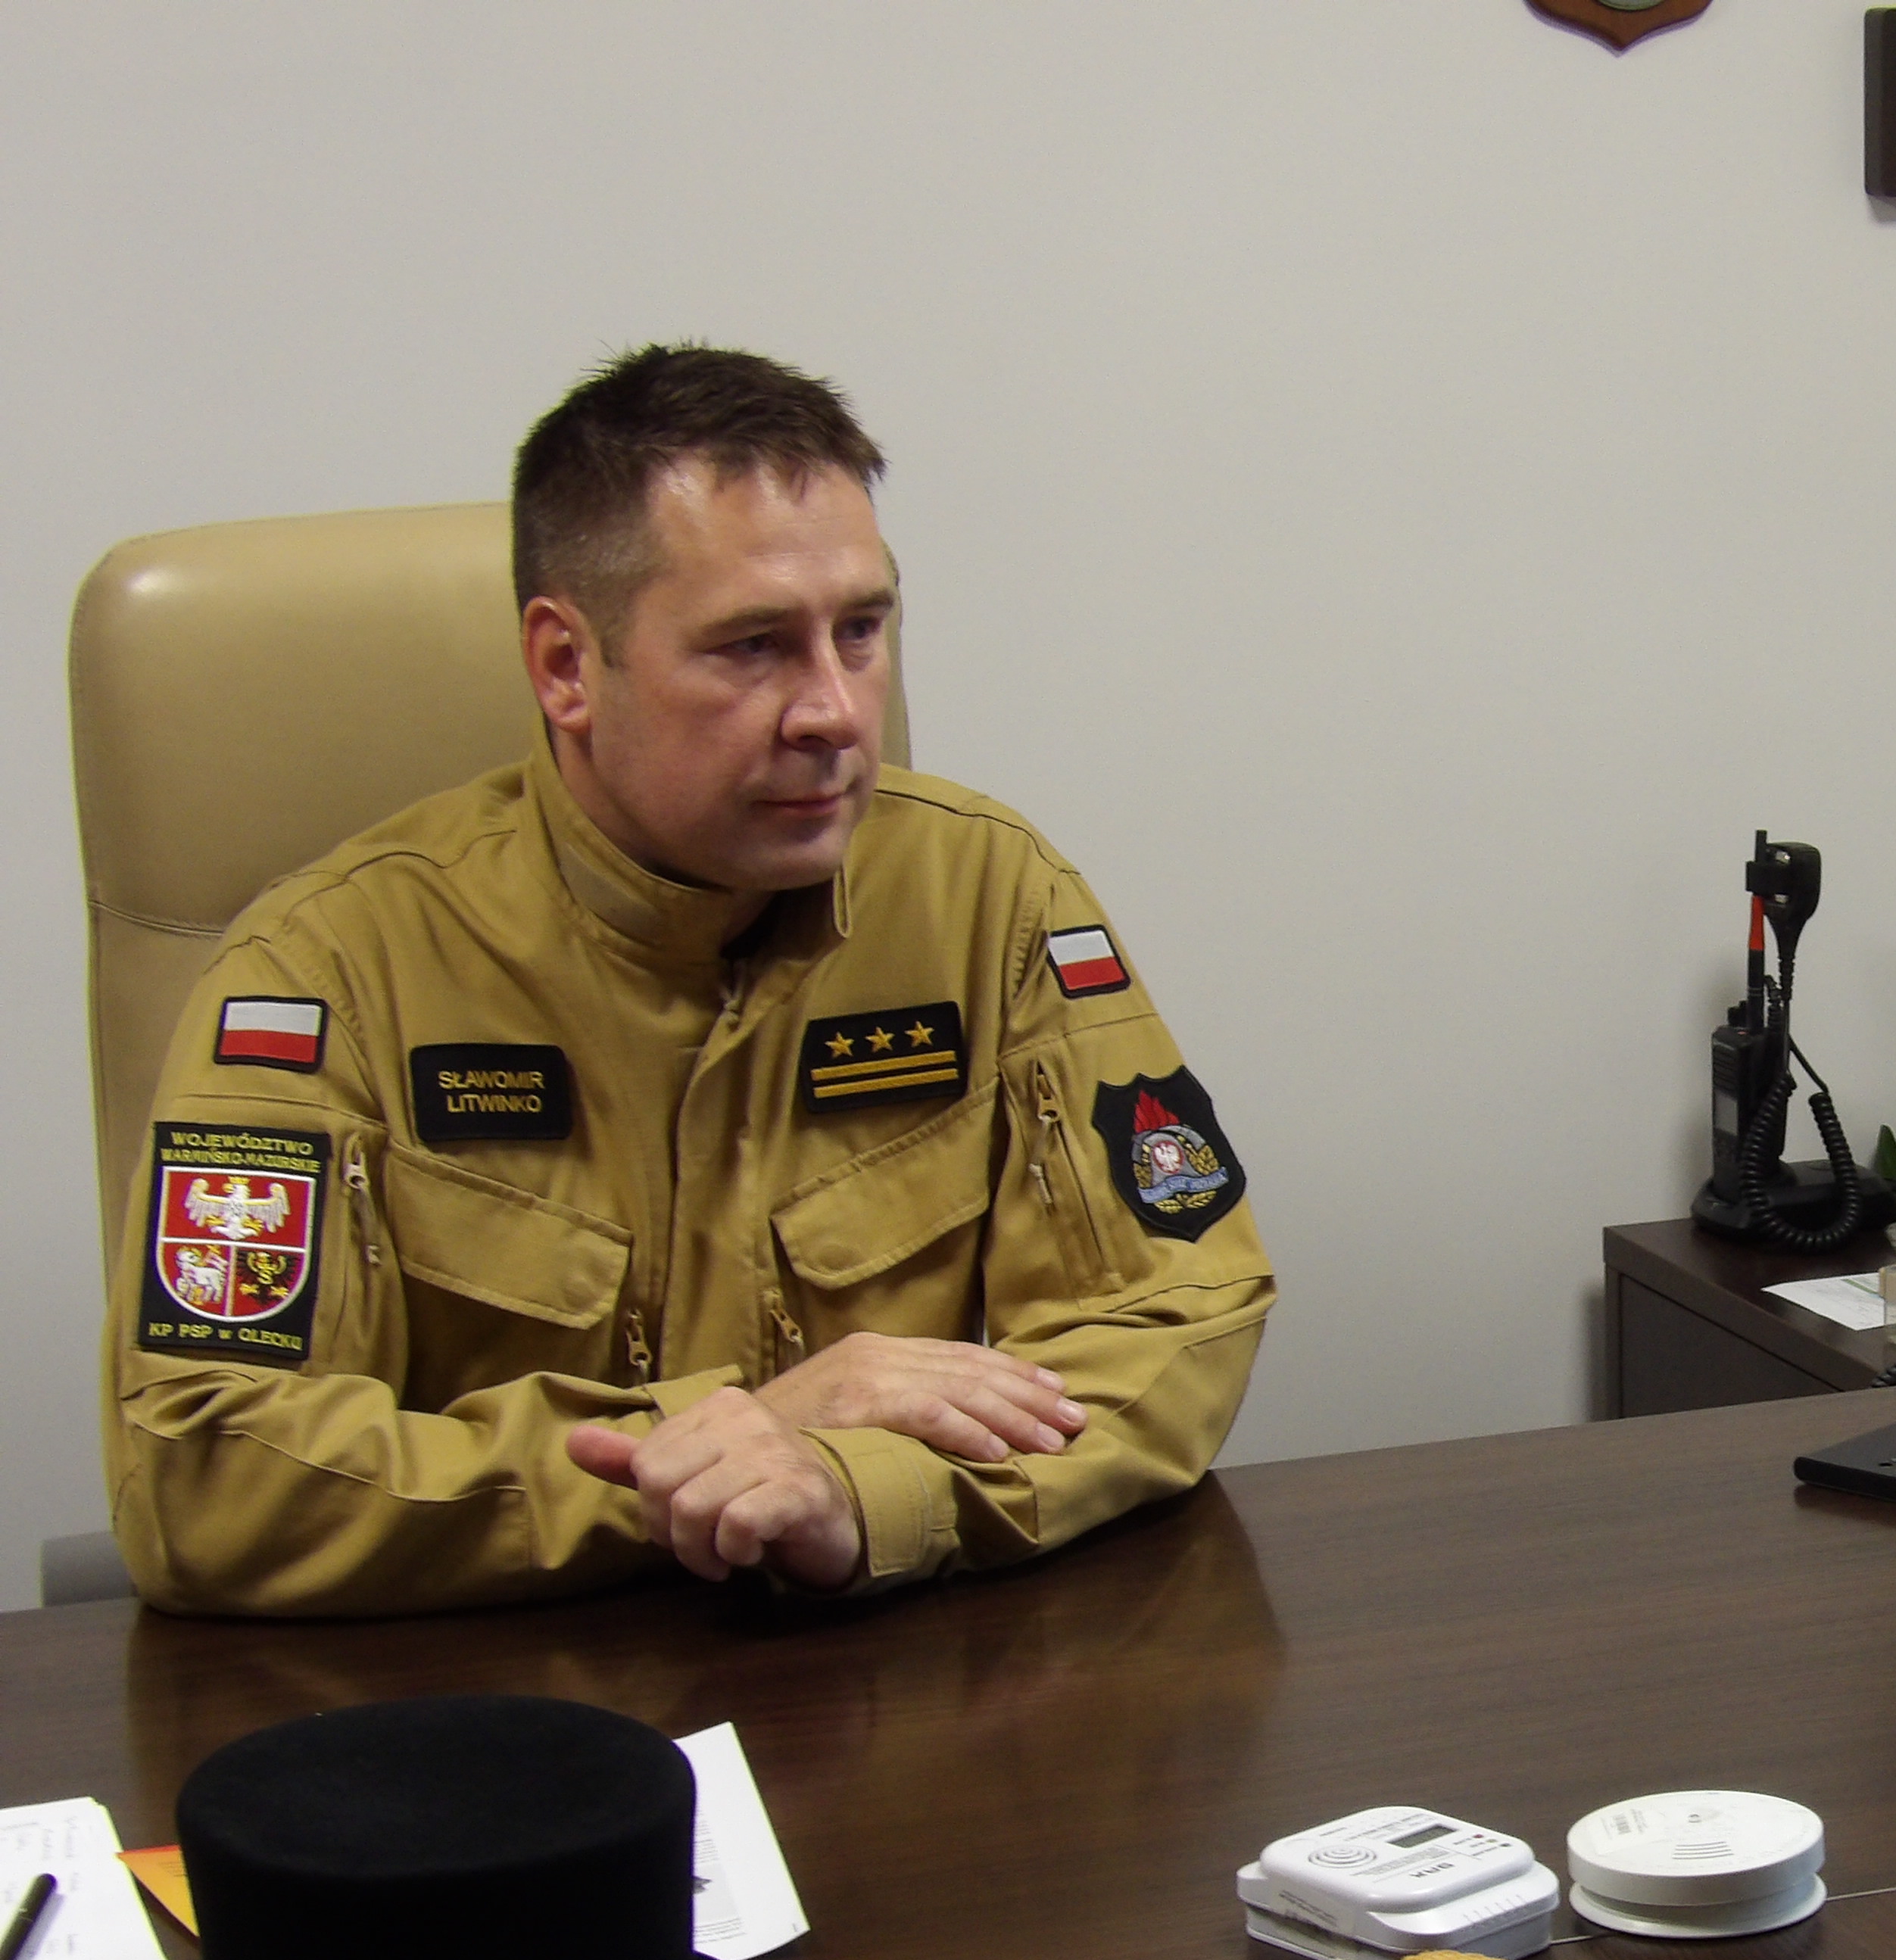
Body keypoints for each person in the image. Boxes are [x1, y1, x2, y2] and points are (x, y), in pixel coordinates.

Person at [108, 346, 1274, 1613]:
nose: (836, 712)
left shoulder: (986, 895)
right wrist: (714, 1444)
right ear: (565, 666)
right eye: (753, 646)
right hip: (502, 1691)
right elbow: (205, 1467)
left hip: (877, 1670)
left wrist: (861, 1489)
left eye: (861, 631)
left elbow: (1182, 1313)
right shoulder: (326, 971)